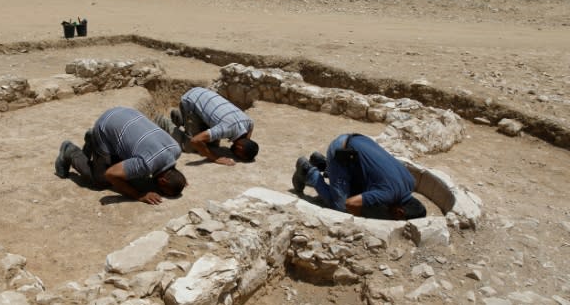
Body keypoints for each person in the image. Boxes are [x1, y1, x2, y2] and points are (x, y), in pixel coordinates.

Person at [55, 107, 187, 204]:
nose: (160, 192)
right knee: (100, 181)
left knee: (132, 173)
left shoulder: (176, 150)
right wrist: (139, 195)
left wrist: (178, 181)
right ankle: (70, 151)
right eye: (163, 190)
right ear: (162, 181)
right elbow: (110, 174)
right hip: (105, 126)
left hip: (125, 113)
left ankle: (93, 140)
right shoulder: (146, 164)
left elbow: (173, 175)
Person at [292, 133, 426, 220]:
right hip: (341, 150)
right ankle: (308, 172)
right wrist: (357, 217)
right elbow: (349, 203)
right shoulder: (389, 194)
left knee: (358, 190)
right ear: (399, 212)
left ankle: (322, 163)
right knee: (340, 208)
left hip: (358, 141)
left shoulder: (410, 182)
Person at [157, 87, 259, 166]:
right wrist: (215, 158)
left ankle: (180, 118)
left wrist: (246, 142)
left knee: (211, 145)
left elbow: (250, 129)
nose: (236, 156)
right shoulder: (227, 128)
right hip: (190, 101)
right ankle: (164, 122)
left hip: (203, 94)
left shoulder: (248, 123)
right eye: (239, 155)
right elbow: (195, 141)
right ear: (240, 147)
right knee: (191, 147)